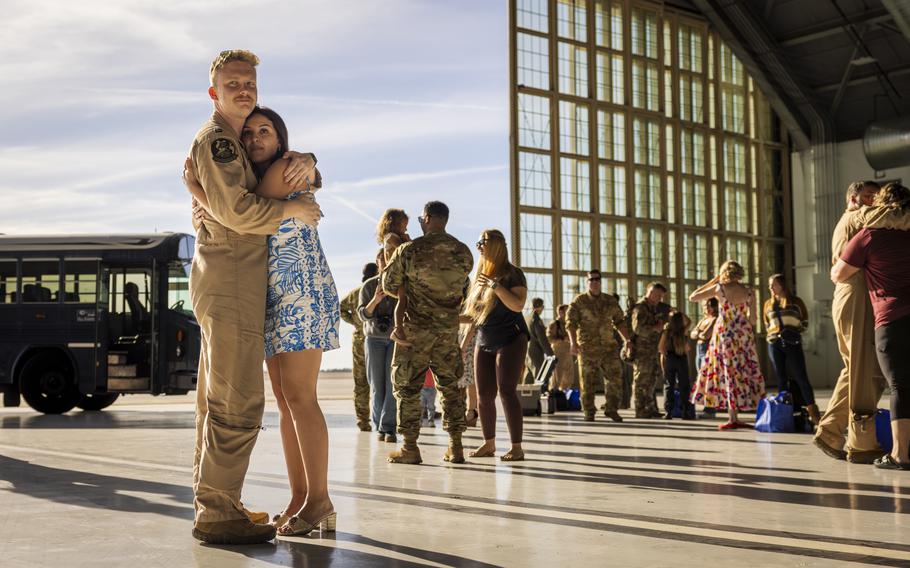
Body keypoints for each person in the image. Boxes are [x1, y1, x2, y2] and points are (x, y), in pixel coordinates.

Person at [182, 50, 322, 545]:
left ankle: (216, 500)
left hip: (228, 278)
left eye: (249, 83)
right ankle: (218, 511)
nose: (243, 90)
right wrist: (293, 212)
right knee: (237, 399)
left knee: (216, 398)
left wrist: (307, 162)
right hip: (233, 278)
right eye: (232, 83)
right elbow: (239, 211)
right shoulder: (218, 141)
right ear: (213, 92)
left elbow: (244, 190)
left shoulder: (231, 144)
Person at [814, 181, 910, 462]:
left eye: (875, 198)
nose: (873, 202)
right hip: (856, 296)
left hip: (858, 297)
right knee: (862, 370)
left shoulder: (855, 221)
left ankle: (831, 431)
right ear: (853, 198)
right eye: (868, 197)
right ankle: (860, 442)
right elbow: (893, 214)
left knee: (860, 368)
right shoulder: (860, 218)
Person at [382, 201, 474, 464]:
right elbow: (464, 290)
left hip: (414, 332)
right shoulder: (463, 252)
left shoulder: (409, 251)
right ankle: (455, 446)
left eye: (423, 218)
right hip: (447, 331)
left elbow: (389, 285)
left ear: (429, 218)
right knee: (450, 388)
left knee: (409, 389)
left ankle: (410, 447)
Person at [461, 229, 529, 460]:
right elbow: (474, 316)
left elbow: (518, 305)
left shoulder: (513, 274)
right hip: (485, 338)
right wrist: (447, 316)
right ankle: (488, 444)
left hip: (511, 338)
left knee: (507, 391)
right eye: (478, 242)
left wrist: (496, 286)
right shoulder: (480, 277)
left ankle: (516, 447)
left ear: (498, 244)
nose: (479, 246)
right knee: (483, 395)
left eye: (483, 241)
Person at [689, 261, 765, 429]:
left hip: (725, 334)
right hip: (743, 334)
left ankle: (733, 417)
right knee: (743, 370)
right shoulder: (749, 292)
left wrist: (713, 280)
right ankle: (738, 413)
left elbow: (693, 296)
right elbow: (753, 320)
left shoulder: (719, 289)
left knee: (727, 371)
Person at [566, 269, 631, 422]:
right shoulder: (579, 301)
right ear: (587, 282)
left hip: (609, 347)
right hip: (587, 349)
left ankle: (612, 409)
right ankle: (589, 411)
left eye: (597, 279)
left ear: (600, 282)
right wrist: (573, 343)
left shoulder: (610, 301)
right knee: (587, 382)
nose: (594, 282)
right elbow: (571, 324)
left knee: (615, 379)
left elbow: (620, 321)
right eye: (591, 279)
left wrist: (627, 340)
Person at [763, 274, 818, 424]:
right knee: (781, 378)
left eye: (773, 284)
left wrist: (792, 331)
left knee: (801, 377)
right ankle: (784, 412)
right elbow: (767, 324)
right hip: (774, 343)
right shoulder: (768, 304)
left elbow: (804, 321)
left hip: (792, 343)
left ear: (782, 285)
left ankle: (814, 413)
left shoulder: (796, 302)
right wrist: (775, 333)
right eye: (769, 285)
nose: (770, 288)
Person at [359, 249, 398, 443]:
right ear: (378, 261)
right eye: (383, 257)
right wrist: (376, 300)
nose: (386, 260)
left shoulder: (399, 284)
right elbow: (363, 315)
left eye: (390, 257)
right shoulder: (368, 286)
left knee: (392, 385)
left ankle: (388, 428)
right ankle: (379, 427)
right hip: (373, 339)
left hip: (393, 339)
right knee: (376, 386)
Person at [339, 263, 378, 432]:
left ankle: (363, 420)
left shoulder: (355, 293)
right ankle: (382, 420)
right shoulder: (375, 289)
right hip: (374, 337)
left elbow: (340, 308)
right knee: (379, 380)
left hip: (360, 339)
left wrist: (355, 322)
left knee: (361, 381)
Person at [630, 282, 669, 419]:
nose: (659, 299)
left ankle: (650, 408)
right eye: (658, 295)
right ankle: (640, 410)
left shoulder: (654, 308)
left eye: (661, 296)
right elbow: (638, 329)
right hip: (642, 350)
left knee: (651, 380)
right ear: (650, 292)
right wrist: (654, 328)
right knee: (641, 380)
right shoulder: (641, 308)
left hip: (652, 349)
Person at [376, 209, 412, 346]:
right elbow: (405, 249)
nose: (406, 228)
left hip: (398, 273)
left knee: (406, 299)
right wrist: (408, 241)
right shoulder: (390, 236)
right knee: (403, 298)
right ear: (395, 224)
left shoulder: (395, 236)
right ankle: (398, 329)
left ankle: (403, 326)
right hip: (393, 276)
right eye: (404, 225)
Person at [659, 311, 693, 420]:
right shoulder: (683, 331)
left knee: (669, 385)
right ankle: (685, 411)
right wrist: (681, 313)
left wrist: (665, 357)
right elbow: (689, 321)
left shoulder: (667, 332)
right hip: (681, 358)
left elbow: (660, 348)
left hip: (670, 358)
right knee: (684, 385)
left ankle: (668, 412)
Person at [690, 298, 719, 418]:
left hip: (708, 350)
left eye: (709, 305)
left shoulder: (715, 319)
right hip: (699, 350)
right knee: (701, 380)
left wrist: (698, 333)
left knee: (709, 380)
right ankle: (707, 406)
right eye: (704, 305)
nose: (706, 308)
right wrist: (698, 334)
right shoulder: (703, 319)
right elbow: (692, 334)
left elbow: (705, 335)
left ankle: (710, 409)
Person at [525, 298, 553, 383]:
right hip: (535, 351)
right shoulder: (536, 319)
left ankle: (524, 395)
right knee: (539, 376)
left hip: (527, 350)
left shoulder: (527, 318)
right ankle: (537, 395)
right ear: (541, 307)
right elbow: (542, 338)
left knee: (529, 375)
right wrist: (550, 353)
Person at [547, 304, 574, 391]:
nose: (568, 313)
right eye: (566, 311)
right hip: (558, 353)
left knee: (568, 377)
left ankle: (565, 398)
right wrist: (562, 339)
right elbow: (549, 338)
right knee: (557, 378)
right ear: (560, 312)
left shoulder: (568, 324)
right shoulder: (554, 324)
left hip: (568, 353)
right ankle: (553, 397)